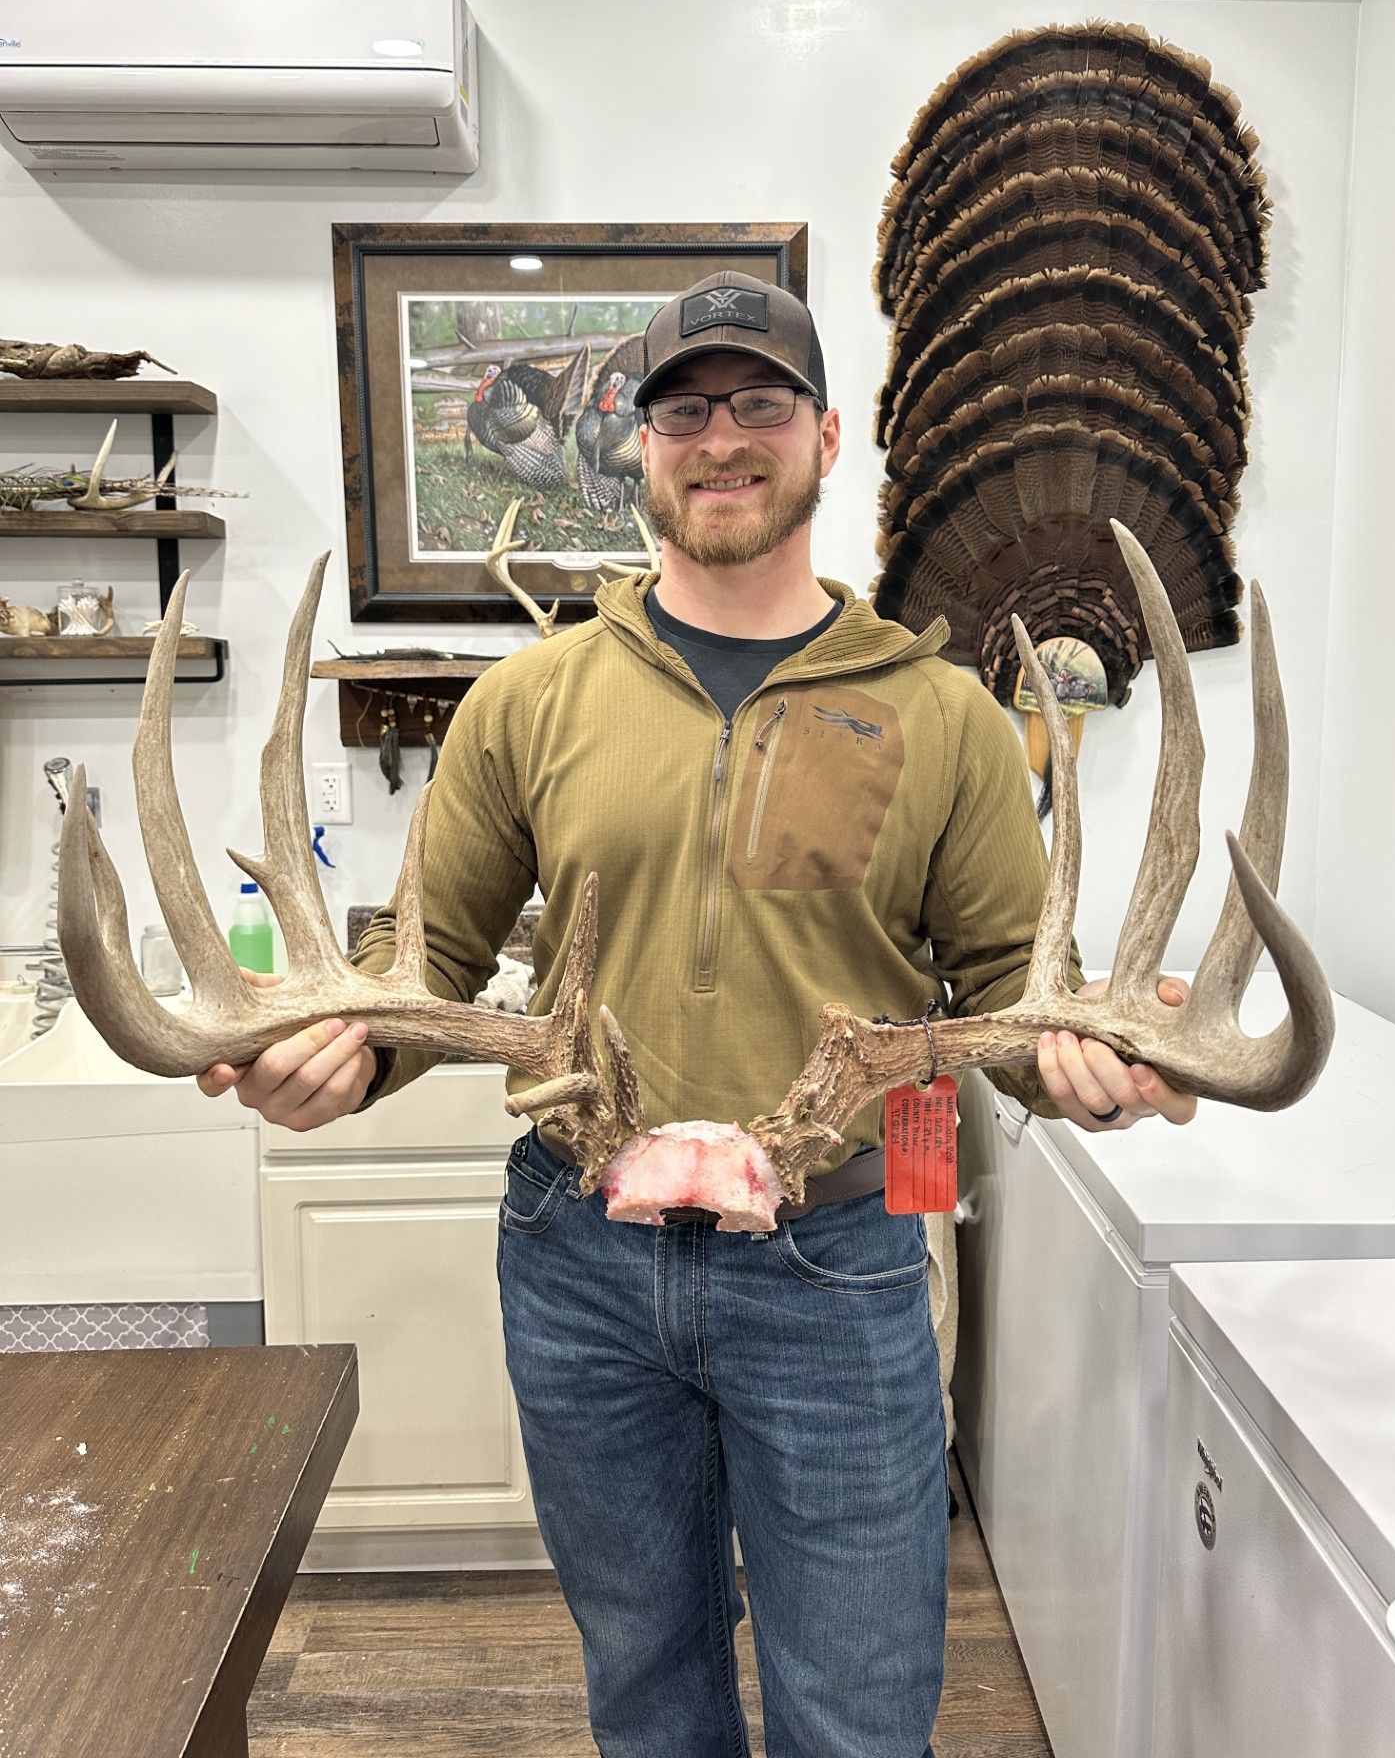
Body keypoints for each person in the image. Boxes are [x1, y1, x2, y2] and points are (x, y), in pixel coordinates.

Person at [198, 270, 1195, 1758]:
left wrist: (1088, 1064)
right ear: (633, 444)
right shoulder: (530, 705)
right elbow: (429, 959)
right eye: (682, 409)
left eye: (760, 404)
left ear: (825, 435)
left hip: (839, 1260)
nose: (721, 438)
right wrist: (345, 1059)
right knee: (648, 1690)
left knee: (857, 1710)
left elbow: (1000, 987)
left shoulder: (943, 720)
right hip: (579, 1262)